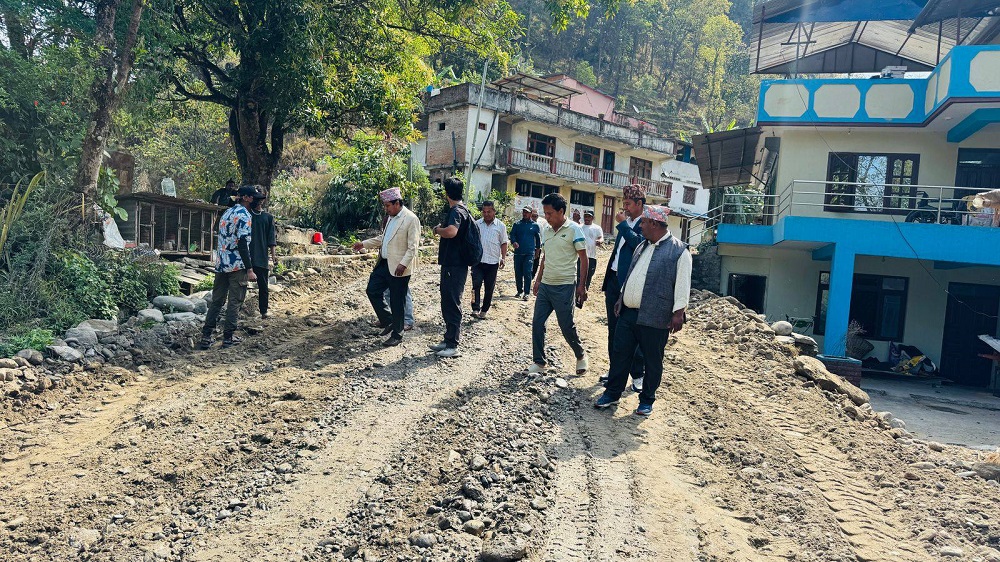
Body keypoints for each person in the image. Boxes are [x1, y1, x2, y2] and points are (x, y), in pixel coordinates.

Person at [595, 205, 691, 416]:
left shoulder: (679, 251)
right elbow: (632, 274)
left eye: (644, 223)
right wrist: (621, 298)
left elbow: (683, 285)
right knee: (620, 354)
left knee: (652, 360)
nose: (641, 226)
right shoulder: (642, 245)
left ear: (655, 224)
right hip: (629, 313)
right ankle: (612, 393)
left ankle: (647, 400)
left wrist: (678, 313)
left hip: (656, 317)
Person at [527, 192, 589, 375]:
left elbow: (583, 258)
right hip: (546, 285)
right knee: (538, 323)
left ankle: (580, 355)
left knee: (566, 325)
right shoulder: (546, 230)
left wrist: (582, 285)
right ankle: (539, 362)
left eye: (550, 213)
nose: (547, 217)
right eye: (545, 213)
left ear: (561, 211)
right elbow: (545, 257)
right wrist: (538, 280)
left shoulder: (574, 229)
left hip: (565, 286)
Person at [354, 187, 421, 347]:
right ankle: (388, 320)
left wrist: (403, 264)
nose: (386, 209)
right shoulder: (391, 217)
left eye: (388, 205)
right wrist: (364, 244)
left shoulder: (411, 219)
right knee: (372, 290)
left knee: (398, 301)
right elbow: (383, 238)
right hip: (384, 263)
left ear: (397, 203)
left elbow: (413, 246)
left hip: (399, 267)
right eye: (385, 206)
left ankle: (397, 334)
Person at [199, 185, 260, 350]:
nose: (257, 201)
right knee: (235, 301)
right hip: (237, 265)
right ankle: (228, 337)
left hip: (221, 264)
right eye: (254, 198)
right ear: (246, 198)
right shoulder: (244, 215)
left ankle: (206, 336)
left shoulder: (227, 212)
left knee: (217, 301)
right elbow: (242, 243)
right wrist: (249, 269)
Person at [600, 185, 647, 388]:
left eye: (628, 203)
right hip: (614, 280)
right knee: (613, 329)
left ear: (639, 203)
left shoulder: (646, 224)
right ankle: (615, 371)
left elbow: (639, 246)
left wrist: (624, 226)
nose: (625, 207)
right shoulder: (626, 223)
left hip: (631, 285)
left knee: (633, 331)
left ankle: (637, 375)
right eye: (624, 203)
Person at [428, 177, 472, 358]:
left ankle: (452, 345)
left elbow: (451, 232)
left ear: (447, 193)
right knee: (448, 301)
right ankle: (448, 340)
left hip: (454, 265)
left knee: (452, 302)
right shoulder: (464, 210)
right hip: (455, 264)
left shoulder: (456, 211)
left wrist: (437, 230)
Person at [471, 201, 508, 319]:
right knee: (475, 286)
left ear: (494, 212)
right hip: (478, 261)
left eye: (489, 212)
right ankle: (475, 308)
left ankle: (484, 310)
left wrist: (503, 258)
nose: (486, 214)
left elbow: (504, 243)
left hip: (492, 263)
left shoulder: (501, 226)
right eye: (484, 212)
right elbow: (471, 241)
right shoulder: (477, 224)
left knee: (489, 288)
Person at [249, 191, 277, 319]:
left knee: (263, 286)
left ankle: (264, 311)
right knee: (240, 284)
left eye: (260, 199)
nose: (258, 201)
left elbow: (271, 238)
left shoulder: (268, 217)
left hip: (261, 257)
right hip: (246, 256)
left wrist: (273, 256)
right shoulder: (246, 215)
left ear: (262, 201)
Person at [509, 206, 541, 300]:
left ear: (531, 214)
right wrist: (514, 242)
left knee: (527, 272)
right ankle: (519, 291)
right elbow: (512, 235)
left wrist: (537, 251)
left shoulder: (535, 226)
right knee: (518, 272)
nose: (525, 214)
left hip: (529, 253)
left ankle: (527, 293)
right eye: (524, 212)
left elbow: (538, 240)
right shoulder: (517, 224)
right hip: (518, 253)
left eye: (527, 212)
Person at [578, 209, 603, 290]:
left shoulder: (597, 228)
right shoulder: (579, 227)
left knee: (588, 278)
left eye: (589, 216)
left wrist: (599, 241)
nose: (587, 218)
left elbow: (601, 237)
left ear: (593, 218)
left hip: (591, 257)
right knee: (578, 278)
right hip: (579, 258)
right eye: (585, 216)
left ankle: (584, 293)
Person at [531, 209, 547, 279]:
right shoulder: (528, 224)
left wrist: (541, 247)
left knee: (536, 262)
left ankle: (532, 276)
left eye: (536, 216)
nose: (534, 218)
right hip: (529, 247)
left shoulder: (540, 225)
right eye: (533, 216)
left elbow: (542, 236)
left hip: (537, 247)